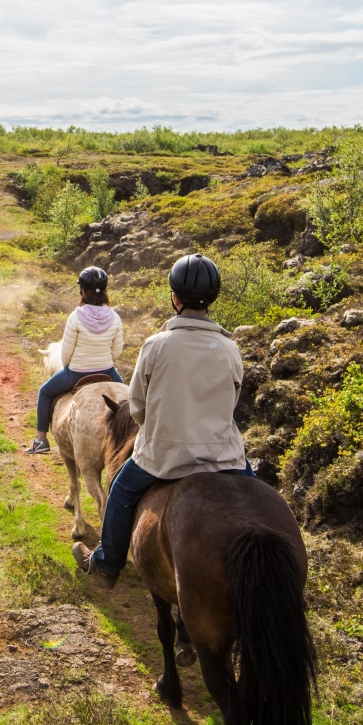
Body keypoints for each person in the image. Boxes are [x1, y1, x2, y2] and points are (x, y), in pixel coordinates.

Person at [73, 253, 250, 590]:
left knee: (120, 490)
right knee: (259, 496)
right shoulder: (230, 348)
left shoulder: (156, 346)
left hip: (164, 456)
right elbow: (231, 403)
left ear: (175, 298)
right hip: (225, 455)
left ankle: (107, 563)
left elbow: (137, 407)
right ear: (213, 299)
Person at [25, 265, 126, 454]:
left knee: (44, 392)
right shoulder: (115, 318)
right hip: (107, 371)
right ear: (105, 290)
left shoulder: (75, 317)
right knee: (128, 403)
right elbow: (116, 352)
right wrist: (104, 362)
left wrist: (69, 369)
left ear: (82, 291)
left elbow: (66, 352)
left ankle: (40, 440)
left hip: (77, 372)